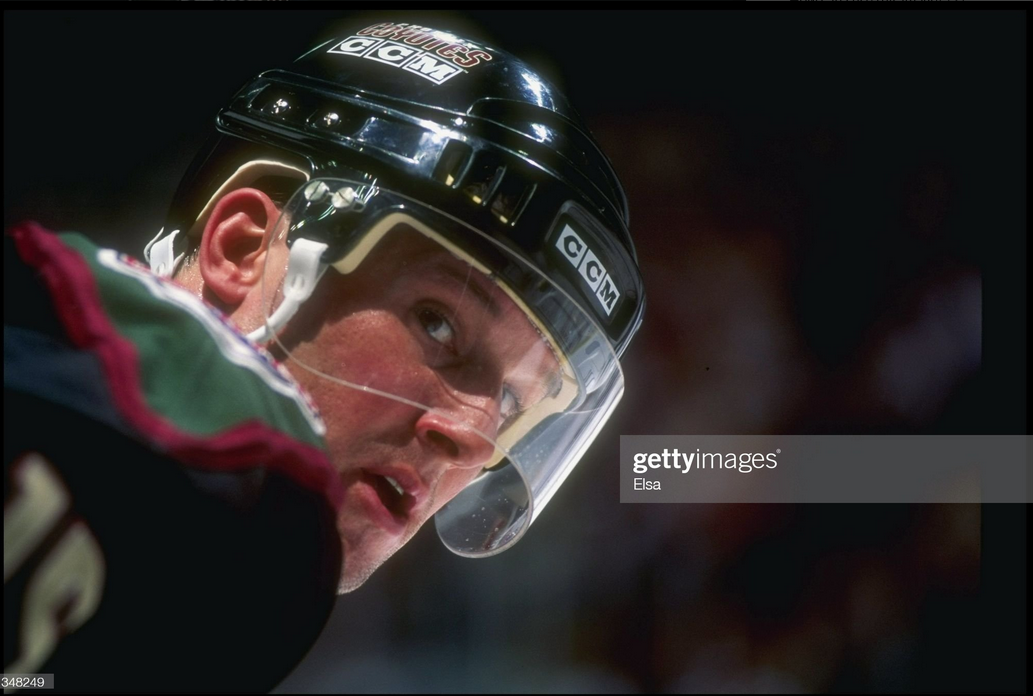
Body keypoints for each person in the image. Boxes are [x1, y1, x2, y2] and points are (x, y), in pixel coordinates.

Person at [4, 18, 645, 693]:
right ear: (244, 248)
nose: (471, 437)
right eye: (437, 322)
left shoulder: (240, 576)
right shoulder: (229, 505)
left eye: (513, 401)